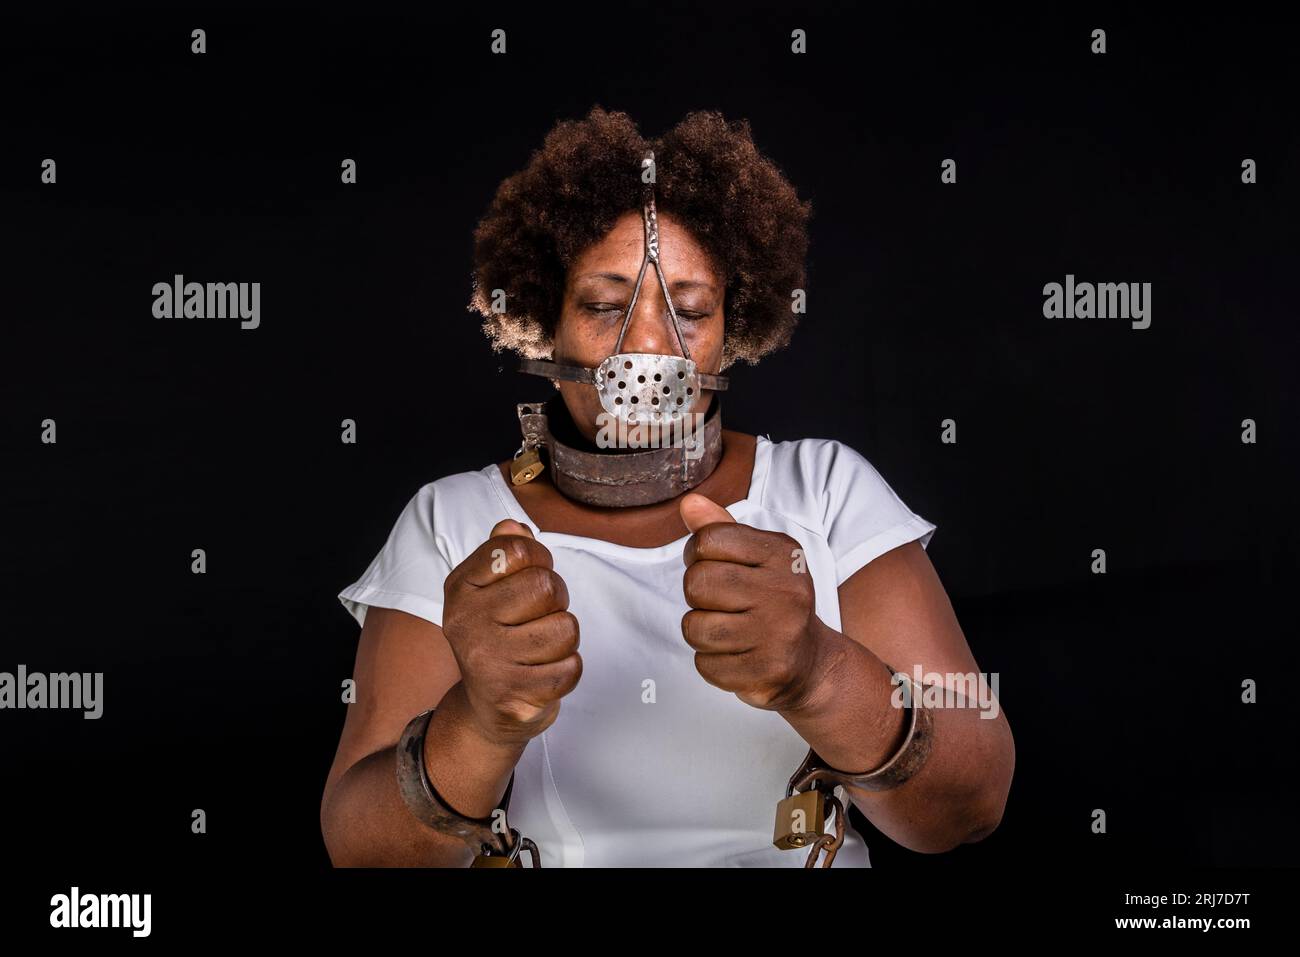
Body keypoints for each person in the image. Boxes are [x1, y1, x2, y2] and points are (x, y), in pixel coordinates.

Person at [319, 106, 1014, 867]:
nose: (649, 348)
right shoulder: (455, 521)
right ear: (545, 318)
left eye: (688, 310)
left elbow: (971, 804)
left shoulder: (826, 490)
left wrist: (819, 669)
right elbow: (364, 854)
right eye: (604, 305)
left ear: (734, 327)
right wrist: (480, 722)